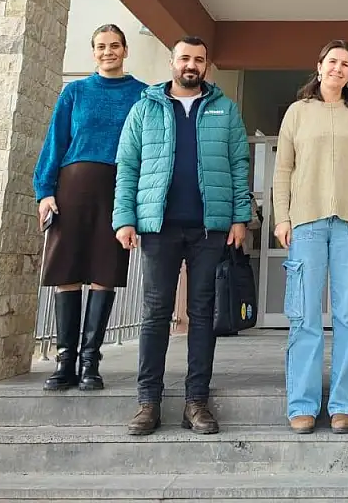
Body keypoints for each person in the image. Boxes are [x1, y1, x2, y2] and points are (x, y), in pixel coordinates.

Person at [113, 36, 250, 437]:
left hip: (210, 227)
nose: (192, 65)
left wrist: (240, 217)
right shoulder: (145, 108)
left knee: (202, 314)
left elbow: (239, 164)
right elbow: (127, 165)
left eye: (199, 60)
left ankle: (196, 402)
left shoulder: (225, 109)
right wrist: (124, 219)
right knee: (155, 313)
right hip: (159, 227)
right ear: (172, 62)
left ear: (206, 66)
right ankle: (148, 402)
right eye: (185, 58)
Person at [272, 40, 348, 435]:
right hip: (306, 222)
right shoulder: (297, 112)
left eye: (346, 64)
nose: (338, 68)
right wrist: (281, 217)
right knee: (304, 315)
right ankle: (302, 404)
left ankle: (344, 403)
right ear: (319, 66)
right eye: (332, 62)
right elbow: (282, 169)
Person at [33, 24, 146, 393]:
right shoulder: (75, 92)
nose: (107, 52)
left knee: (104, 270)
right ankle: (64, 361)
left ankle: (90, 363)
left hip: (117, 189)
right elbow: (56, 140)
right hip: (72, 188)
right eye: (100, 46)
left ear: (125, 50)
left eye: (114, 46)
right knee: (66, 269)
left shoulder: (142, 94)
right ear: (93, 51)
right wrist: (44, 191)